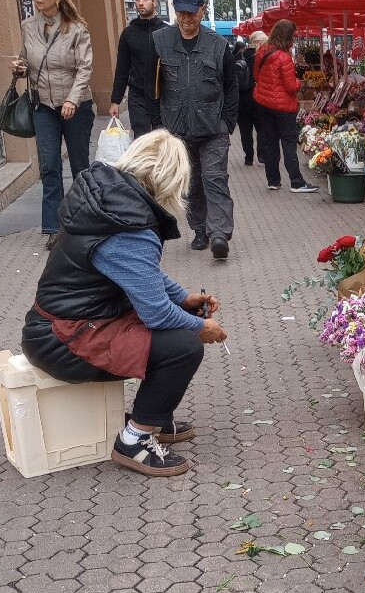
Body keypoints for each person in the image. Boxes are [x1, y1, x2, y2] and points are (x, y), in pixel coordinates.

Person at [21, 129, 228, 478]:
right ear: (170, 179)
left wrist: (183, 297)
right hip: (63, 340)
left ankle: (154, 418)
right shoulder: (128, 224)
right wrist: (201, 327)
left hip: (59, 326)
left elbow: (140, 272)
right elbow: (156, 313)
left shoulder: (108, 199)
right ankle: (135, 439)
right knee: (184, 346)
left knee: (180, 326)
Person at [151, 0, 238, 259]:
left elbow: (232, 87)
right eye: (181, 13)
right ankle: (199, 229)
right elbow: (149, 86)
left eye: (192, 13)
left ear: (203, 10)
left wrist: (226, 123)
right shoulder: (160, 41)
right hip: (176, 129)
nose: (187, 19)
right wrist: (157, 127)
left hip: (213, 128)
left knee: (215, 179)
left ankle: (219, 234)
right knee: (190, 184)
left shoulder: (218, 45)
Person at [11, 0, 94, 250]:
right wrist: (19, 67)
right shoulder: (28, 26)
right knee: (50, 167)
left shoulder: (77, 28)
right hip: (43, 106)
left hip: (76, 106)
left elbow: (84, 68)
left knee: (80, 167)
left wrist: (72, 99)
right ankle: (53, 228)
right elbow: (26, 58)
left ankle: (84, 221)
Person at [253, 20, 317, 194]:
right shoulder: (284, 57)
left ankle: (273, 181)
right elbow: (291, 86)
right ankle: (296, 182)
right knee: (289, 143)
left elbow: (256, 75)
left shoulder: (262, 52)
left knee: (270, 142)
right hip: (283, 107)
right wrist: (299, 82)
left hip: (264, 103)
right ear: (288, 37)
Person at [109, 0, 167, 137]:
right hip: (138, 95)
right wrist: (116, 100)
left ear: (155, 2)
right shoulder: (129, 33)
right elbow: (122, 68)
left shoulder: (166, 32)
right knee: (142, 139)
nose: (140, 3)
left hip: (163, 95)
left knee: (162, 139)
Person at [237, 31, 266, 166]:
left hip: (241, 100)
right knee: (261, 128)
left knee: (245, 131)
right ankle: (261, 155)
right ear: (258, 42)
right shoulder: (262, 57)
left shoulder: (239, 56)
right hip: (257, 97)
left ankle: (248, 157)